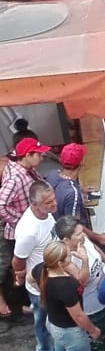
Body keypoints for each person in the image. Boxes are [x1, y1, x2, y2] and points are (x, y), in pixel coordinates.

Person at [55, 216, 105, 351]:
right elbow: (82, 281)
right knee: (88, 334)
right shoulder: (64, 257)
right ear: (66, 239)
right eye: (78, 234)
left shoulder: (82, 239)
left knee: (103, 326)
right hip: (86, 304)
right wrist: (85, 260)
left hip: (100, 296)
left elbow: (95, 248)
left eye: (82, 231)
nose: (83, 235)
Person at [0, 136, 50, 319]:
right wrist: (19, 221)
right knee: (20, 269)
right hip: (19, 232)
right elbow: (1, 204)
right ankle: (20, 304)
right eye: (39, 155)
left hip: (30, 226)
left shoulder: (27, 169)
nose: (42, 158)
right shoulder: (15, 177)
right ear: (27, 155)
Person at [12, 180, 57, 351]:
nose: (54, 204)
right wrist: (21, 278)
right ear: (34, 204)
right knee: (42, 319)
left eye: (53, 199)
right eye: (48, 202)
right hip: (39, 285)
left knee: (51, 316)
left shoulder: (45, 214)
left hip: (51, 277)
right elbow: (17, 261)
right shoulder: (28, 231)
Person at [45, 143, 105, 251]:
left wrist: (80, 189)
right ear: (81, 162)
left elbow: (61, 184)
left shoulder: (53, 174)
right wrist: (98, 238)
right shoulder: (73, 194)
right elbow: (74, 226)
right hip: (73, 240)